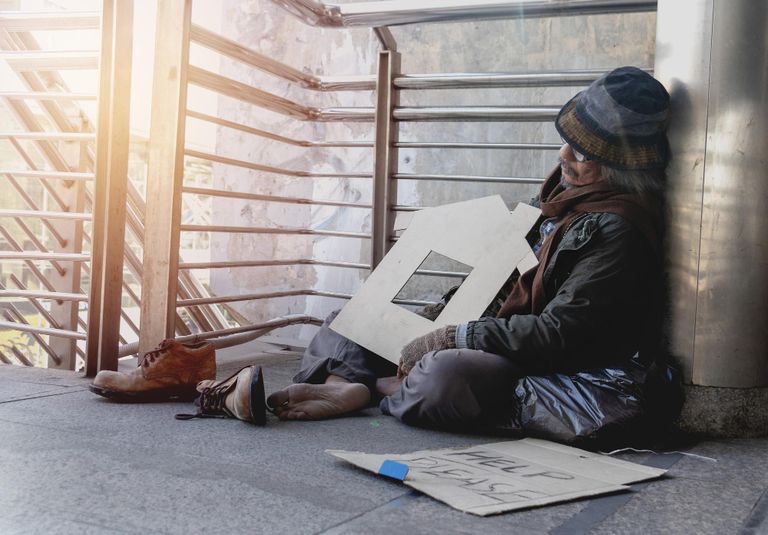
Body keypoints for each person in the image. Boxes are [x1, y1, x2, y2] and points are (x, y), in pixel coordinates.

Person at [91, 66, 673, 440]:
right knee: (347, 324)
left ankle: (360, 391)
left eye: (586, 153)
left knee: (448, 377)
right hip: (491, 328)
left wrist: (454, 336)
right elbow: (502, 277)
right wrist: (432, 317)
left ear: (622, 167)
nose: (567, 157)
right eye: (567, 141)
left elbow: (561, 336)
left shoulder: (617, 231)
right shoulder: (565, 197)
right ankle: (323, 384)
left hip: (540, 360)